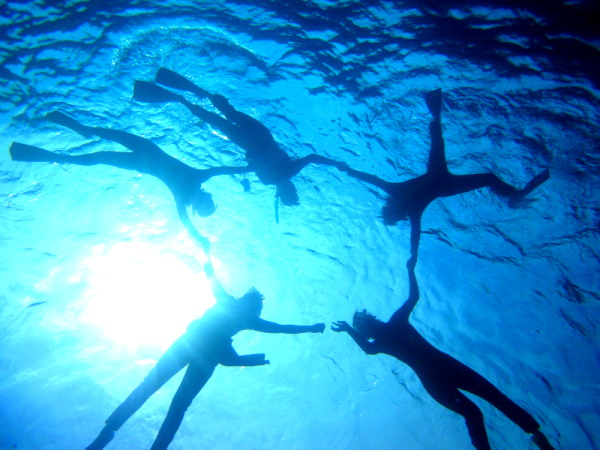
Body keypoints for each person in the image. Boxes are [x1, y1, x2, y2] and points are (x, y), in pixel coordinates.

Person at [87, 260, 325, 449]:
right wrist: (310, 328)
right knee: (161, 393)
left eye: (256, 310)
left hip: (196, 350)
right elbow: (279, 327)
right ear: (249, 304)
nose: (256, 312)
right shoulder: (237, 308)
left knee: (161, 393)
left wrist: (206, 254)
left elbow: (213, 278)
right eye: (256, 308)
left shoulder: (237, 309)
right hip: (197, 351)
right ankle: (115, 431)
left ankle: (122, 434)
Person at [331, 259, 554, 450]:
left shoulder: (393, 326)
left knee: (490, 401)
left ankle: (536, 434)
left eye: (366, 322)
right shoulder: (388, 332)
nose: (370, 322)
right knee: (478, 410)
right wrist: (410, 271)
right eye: (366, 323)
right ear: (370, 325)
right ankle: (534, 434)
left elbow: (412, 299)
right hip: (439, 375)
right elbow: (374, 343)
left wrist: (410, 271)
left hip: (440, 374)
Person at [336, 89, 549, 261]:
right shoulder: (413, 211)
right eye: (397, 215)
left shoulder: (395, 191)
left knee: (443, 145)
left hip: (437, 174)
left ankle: (436, 114)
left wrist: (348, 170)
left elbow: (371, 179)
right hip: (446, 186)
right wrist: (414, 255)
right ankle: (515, 195)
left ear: (391, 208)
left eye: (394, 212)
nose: (399, 211)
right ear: (399, 215)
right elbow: (415, 235)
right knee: (488, 177)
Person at [9, 112, 251, 252]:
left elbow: (187, 219)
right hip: (145, 154)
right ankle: (81, 133)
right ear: (203, 201)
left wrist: (198, 238)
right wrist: (247, 167)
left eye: (201, 204)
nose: (200, 201)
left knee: (97, 156)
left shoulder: (187, 191)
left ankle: (60, 152)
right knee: (105, 144)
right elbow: (222, 170)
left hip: (144, 159)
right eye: (203, 203)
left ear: (200, 203)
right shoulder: (194, 182)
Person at [133, 68, 343, 215]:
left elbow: (311, 157)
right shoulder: (271, 179)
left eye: (291, 191)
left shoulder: (288, 172)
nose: (292, 188)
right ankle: (183, 99)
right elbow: (252, 164)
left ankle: (199, 93)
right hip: (248, 141)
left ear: (286, 191)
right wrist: (247, 174)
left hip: (257, 135)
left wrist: (337, 164)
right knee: (214, 119)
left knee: (227, 112)